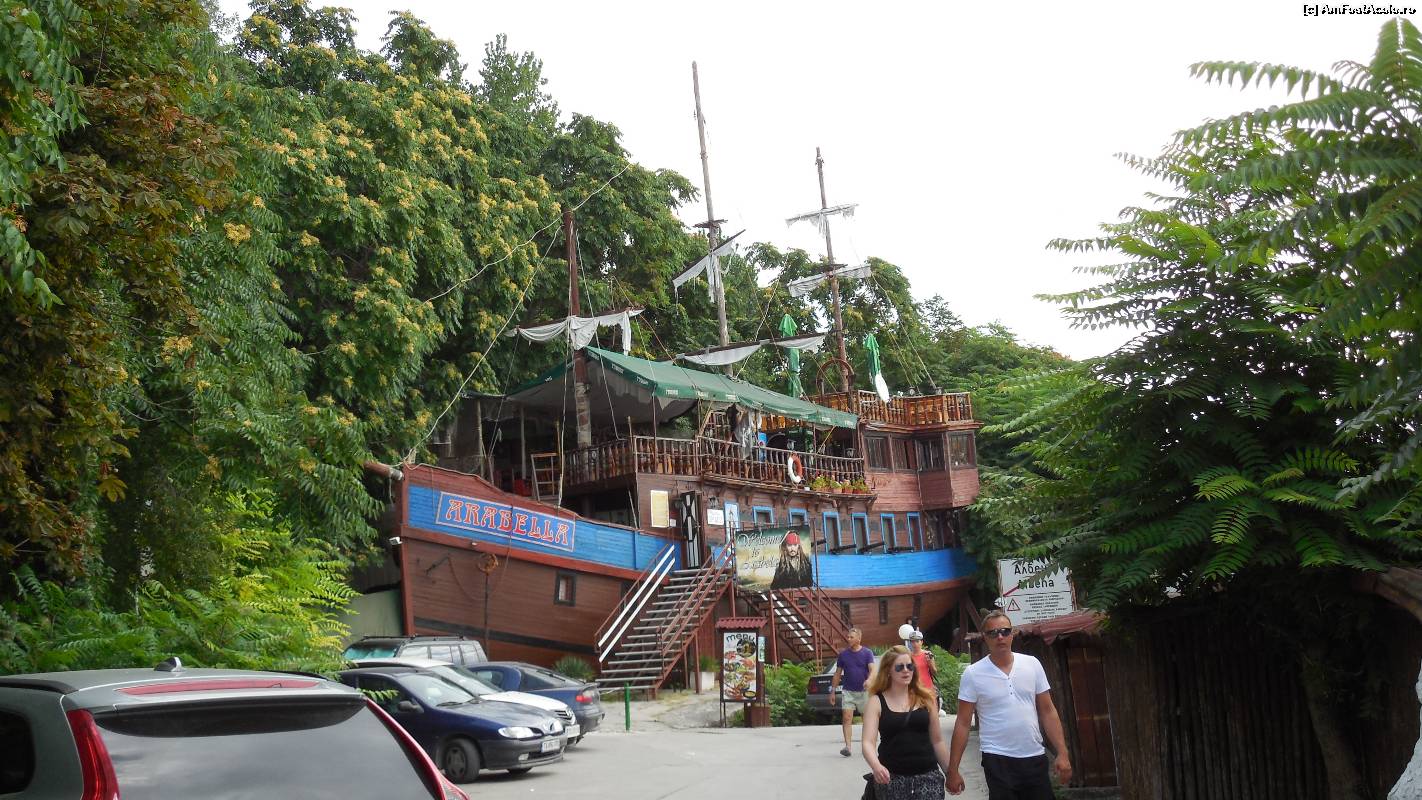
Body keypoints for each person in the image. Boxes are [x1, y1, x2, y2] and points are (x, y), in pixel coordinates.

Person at [947, 611, 1072, 798]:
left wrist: (1062, 752)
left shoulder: (1032, 664)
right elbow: (963, 723)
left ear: (1012, 634)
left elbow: (1047, 711)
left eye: (1005, 631)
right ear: (984, 637)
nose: (1000, 637)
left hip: (1034, 755)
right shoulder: (973, 674)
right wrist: (953, 769)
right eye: (993, 633)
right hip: (997, 758)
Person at [861, 646, 953, 799]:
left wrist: (951, 773)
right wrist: (876, 766)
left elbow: (937, 741)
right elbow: (867, 742)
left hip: (928, 778)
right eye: (899, 667)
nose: (906, 670)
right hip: (892, 779)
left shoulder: (927, 699)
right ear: (888, 671)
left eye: (910, 666)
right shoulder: (876, 702)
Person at [830, 626, 876, 757]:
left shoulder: (867, 653)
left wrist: (869, 680)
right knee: (846, 718)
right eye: (848, 637)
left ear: (859, 639)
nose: (848, 639)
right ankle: (848, 747)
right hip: (848, 691)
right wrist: (833, 691)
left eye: (851, 637)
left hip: (864, 691)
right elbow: (837, 674)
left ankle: (868, 745)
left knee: (866, 720)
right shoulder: (843, 655)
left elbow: (873, 670)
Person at [908, 630, 938, 703]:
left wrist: (930, 663)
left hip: (927, 688)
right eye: (912, 641)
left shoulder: (928, 654)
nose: (915, 644)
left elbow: (935, 672)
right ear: (910, 643)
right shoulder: (908, 656)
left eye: (917, 641)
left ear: (921, 642)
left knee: (929, 708)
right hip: (914, 689)